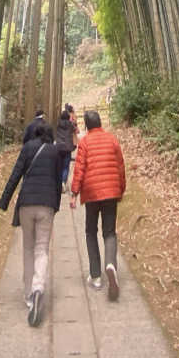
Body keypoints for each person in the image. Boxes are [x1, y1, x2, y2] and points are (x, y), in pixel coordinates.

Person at [0, 120, 62, 327]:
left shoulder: (27, 148)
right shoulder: (54, 152)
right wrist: (56, 206)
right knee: (42, 249)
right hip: (46, 205)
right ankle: (38, 288)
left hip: (26, 204)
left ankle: (28, 295)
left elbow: (15, 175)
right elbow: (57, 180)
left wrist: (4, 201)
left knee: (27, 248)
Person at [69, 109, 126, 301]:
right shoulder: (112, 139)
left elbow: (79, 169)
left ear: (86, 125)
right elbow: (120, 166)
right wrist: (121, 189)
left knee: (90, 231)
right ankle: (110, 265)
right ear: (100, 123)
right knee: (109, 231)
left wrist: (74, 193)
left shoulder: (84, 142)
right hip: (111, 191)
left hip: (92, 193)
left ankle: (95, 277)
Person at [54, 109, 75, 192]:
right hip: (67, 148)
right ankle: (63, 182)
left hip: (58, 147)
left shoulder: (58, 124)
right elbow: (74, 130)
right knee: (66, 167)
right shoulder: (70, 125)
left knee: (59, 166)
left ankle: (58, 182)